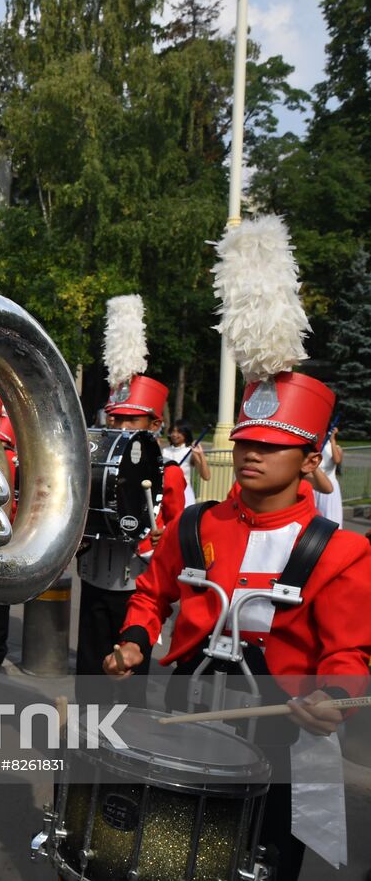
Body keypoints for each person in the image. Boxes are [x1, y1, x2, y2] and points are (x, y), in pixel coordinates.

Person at [106, 371, 371, 880]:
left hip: (284, 737)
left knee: (263, 864)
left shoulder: (342, 551)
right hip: (191, 719)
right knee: (176, 855)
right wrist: (134, 640)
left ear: (311, 461)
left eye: (271, 447)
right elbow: (151, 594)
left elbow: (348, 652)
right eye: (247, 442)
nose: (252, 454)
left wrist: (336, 694)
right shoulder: (194, 525)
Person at [75, 374, 186, 707]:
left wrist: (160, 537)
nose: (122, 425)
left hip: (138, 585)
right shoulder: (95, 463)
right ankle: (86, 740)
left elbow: (175, 528)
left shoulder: (170, 472)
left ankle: (127, 744)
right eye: (116, 417)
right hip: (94, 577)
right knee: (90, 670)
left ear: (154, 424)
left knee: (129, 676)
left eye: (131, 419)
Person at [163, 422, 209, 506]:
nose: (174, 434)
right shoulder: (165, 451)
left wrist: (201, 454)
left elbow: (206, 476)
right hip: (167, 492)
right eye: (173, 431)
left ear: (186, 434)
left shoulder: (190, 452)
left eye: (179, 432)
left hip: (185, 493)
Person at [310, 426, 343, 526]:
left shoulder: (337, 448)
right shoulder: (315, 447)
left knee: (330, 516)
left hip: (329, 486)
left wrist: (332, 440)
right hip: (314, 486)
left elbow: (337, 460)